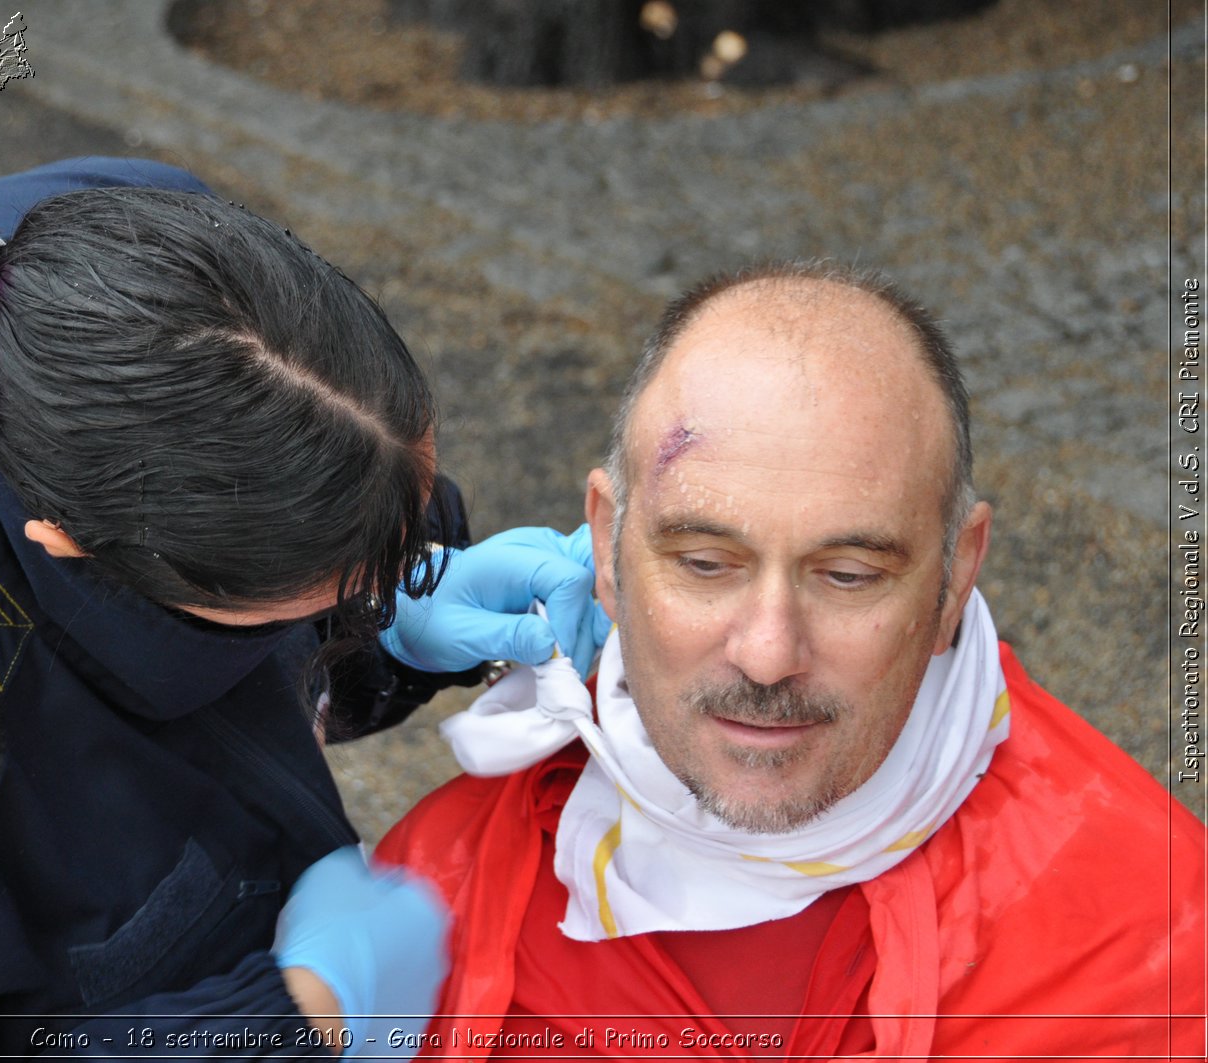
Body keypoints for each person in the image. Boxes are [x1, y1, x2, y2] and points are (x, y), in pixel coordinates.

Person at [0, 158, 599, 1060]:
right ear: (79, 550)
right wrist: (283, 1016)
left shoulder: (95, 248)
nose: (372, 586)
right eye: (336, 584)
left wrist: (387, 618)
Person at [378, 261, 1207, 1059]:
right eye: (705, 563)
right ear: (606, 545)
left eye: (847, 576)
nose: (768, 653)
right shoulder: (436, 890)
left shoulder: (1153, 937)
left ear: (956, 575)